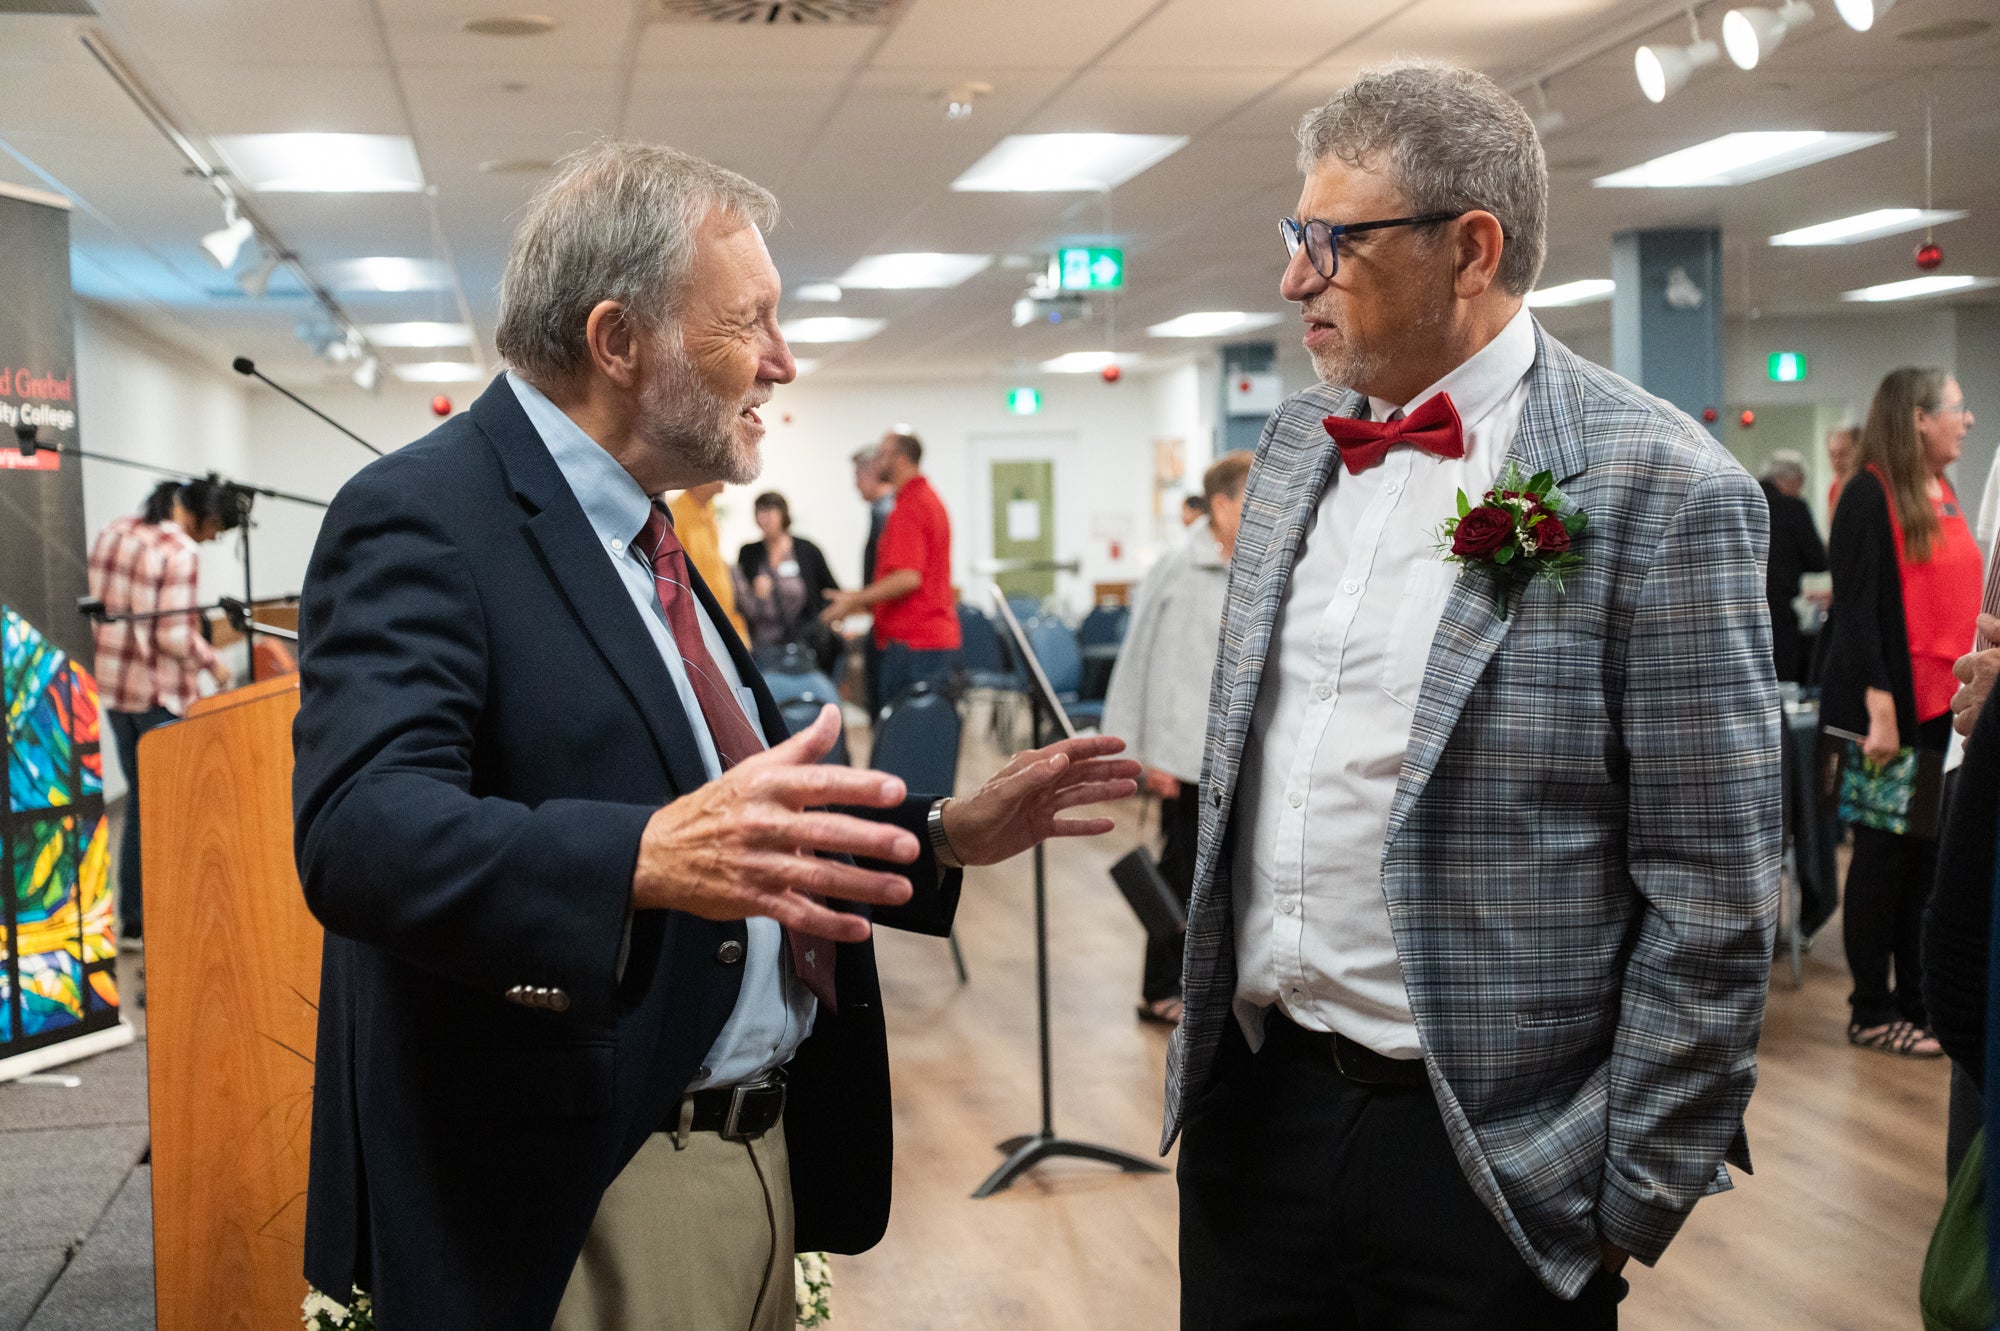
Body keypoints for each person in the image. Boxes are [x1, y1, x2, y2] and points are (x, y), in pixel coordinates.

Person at [290, 141, 1138, 1330]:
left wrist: (940, 830)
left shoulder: (643, 529)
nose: (784, 363)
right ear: (618, 340)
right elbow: (357, 832)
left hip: (756, 1150)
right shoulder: (422, 515)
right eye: (752, 324)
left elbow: (717, 800)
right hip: (591, 1187)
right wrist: (635, 858)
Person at [1167, 60, 1780, 1327]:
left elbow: (1712, 885)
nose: (1294, 277)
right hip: (1257, 1116)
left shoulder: (1662, 487)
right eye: (1295, 235)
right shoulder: (1291, 447)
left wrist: (1628, 1200)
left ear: (1470, 249)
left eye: (1331, 242)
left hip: (1493, 1160)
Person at [1822, 367, 1980, 1060]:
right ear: (1918, 417)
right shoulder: (1867, 493)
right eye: (1956, 407)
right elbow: (1856, 614)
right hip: (1889, 710)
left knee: (1927, 862)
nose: (1967, 419)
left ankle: (1919, 1004)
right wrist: (1880, 709)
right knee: (1885, 861)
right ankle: (1871, 1008)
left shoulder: (1941, 492)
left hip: (1942, 709)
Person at [1103, 451, 1250, 1027]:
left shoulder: (1262, 562)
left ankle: (1217, 989)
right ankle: (1157, 987)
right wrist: (1139, 756)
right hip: (1184, 757)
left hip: (1235, 754)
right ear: (1220, 504)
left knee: (1229, 881)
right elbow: (1140, 661)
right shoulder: (1177, 567)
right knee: (1179, 875)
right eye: (1251, 497)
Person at [86, 477, 238, 946]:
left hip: (115, 691)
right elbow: (171, 636)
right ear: (207, 519)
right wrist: (215, 663)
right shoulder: (178, 551)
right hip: (158, 696)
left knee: (140, 803)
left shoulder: (116, 531)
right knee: (169, 809)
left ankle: (134, 918)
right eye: (217, 531)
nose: (212, 540)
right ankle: (159, 917)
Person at [821, 431, 961, 707]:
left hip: (914, 642)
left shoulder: (910, 506)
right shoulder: (922, 499)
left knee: (906, 737)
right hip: (923, 640)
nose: (877, 462)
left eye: (883, 454)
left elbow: (908, 577)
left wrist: (855, 600)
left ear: (900, 458)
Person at [734, 490, 840, 672]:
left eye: (770, 511)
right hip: (763, 645)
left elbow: (830, 591)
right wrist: (755, 591)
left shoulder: (806, 550)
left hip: (806, 642)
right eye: (760, 512)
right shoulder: (749, 552)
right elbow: (740, 596)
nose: (764, 518)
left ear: (783, 514)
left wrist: (826, 620)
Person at [1759, 450, 1828, 683]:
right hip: (1779, 612)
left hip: (1744, 607)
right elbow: (1818, 559)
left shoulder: (1747, 498)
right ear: (1792, 480)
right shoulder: (1793, 507)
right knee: (1784, 680)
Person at [667, 478, 747, 640]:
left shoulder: (709, 511)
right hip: (702, 628)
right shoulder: (676, 516)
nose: (724, 476)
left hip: (725, 621)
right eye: (716, 468)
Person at [1827, 424, 1860, 515]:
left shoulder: (1871, 488)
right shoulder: (1834, 488)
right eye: (1832, 454)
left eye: (1843, 454)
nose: (1837, 461)